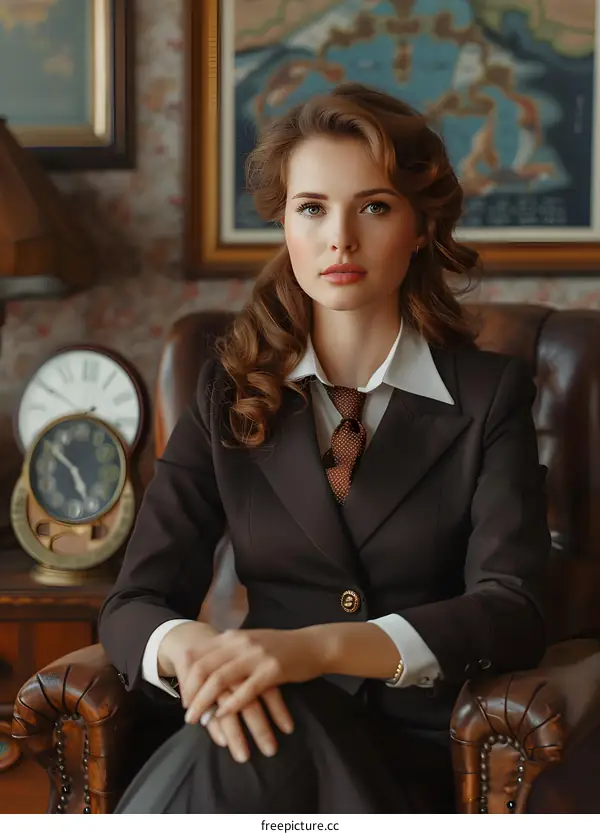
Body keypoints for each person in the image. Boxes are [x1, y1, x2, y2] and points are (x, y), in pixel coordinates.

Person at [98, 82, 551, 814]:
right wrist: (198, 655)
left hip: (405, 753)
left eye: (374, 207)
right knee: (235, 737)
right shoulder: (225, 391)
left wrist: (311, 650)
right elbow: (133, 603)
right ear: (284, 224)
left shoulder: (490, 395)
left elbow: (513, 609)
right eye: (312, 208)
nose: (339, 238)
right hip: (245, 721)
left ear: (420, 226)